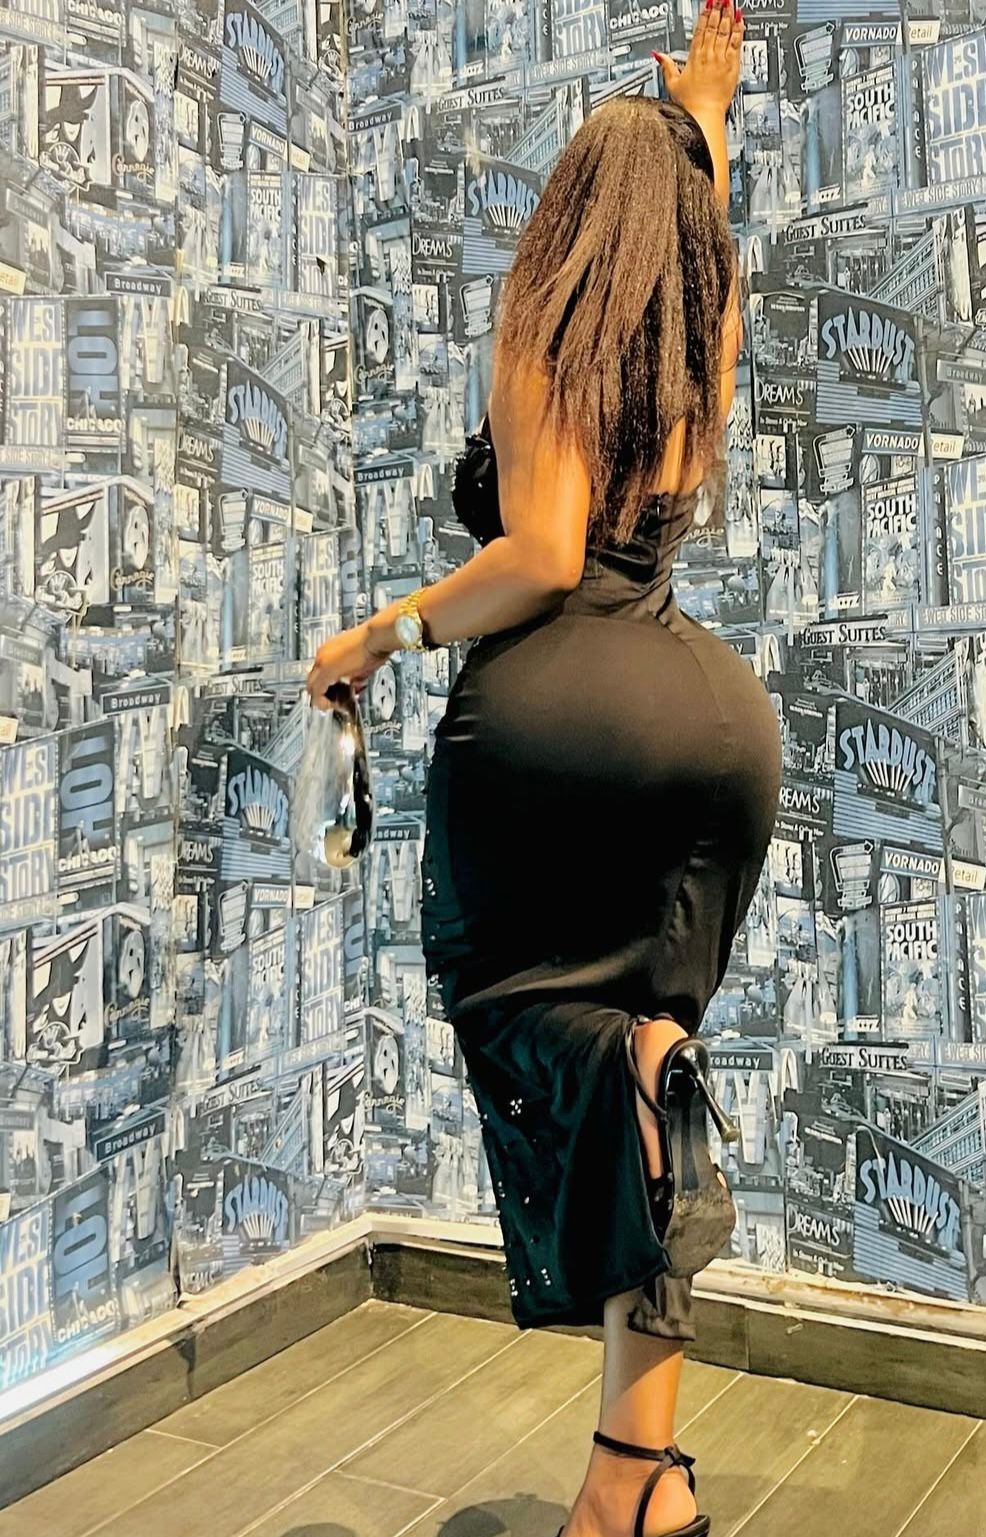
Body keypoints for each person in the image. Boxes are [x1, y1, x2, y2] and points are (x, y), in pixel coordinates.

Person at [308, 6, 781, 1535]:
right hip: (711, 722)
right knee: (642, 1061)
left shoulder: (543, 327)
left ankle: (627, 1069)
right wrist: (709, 130)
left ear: (572, 205)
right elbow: (702, 260)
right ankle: (635, 1479)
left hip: (553, 719)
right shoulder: (697, 337)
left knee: (517, 1009)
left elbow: (539, 554)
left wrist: (379, 633)